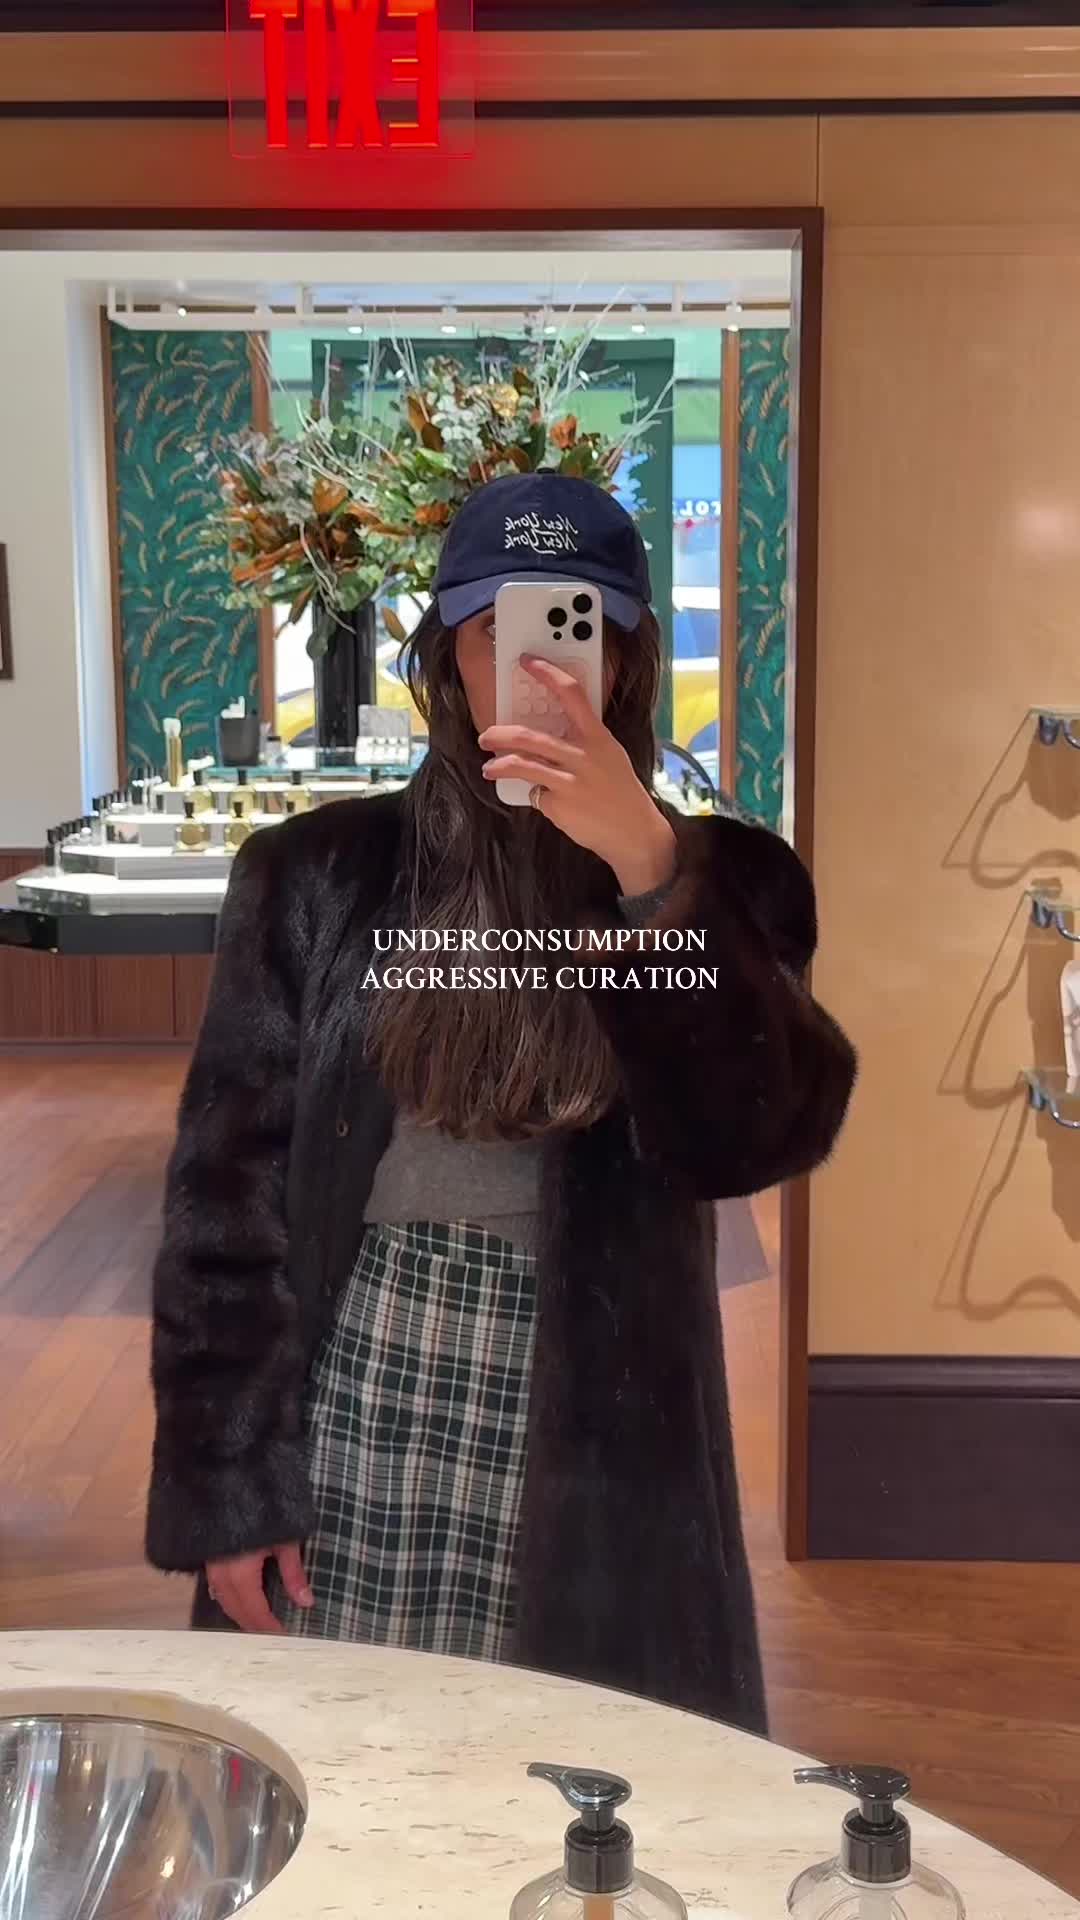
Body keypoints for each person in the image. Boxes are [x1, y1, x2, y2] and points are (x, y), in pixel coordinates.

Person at [145, 471, 856, 1735]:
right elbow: (224, 1199)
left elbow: (755, 1139)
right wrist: (232, 1484)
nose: (534, 671)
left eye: (572, 628)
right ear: (445, 659)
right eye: (494, 632)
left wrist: (650, 870)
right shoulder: (315, 874)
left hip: (605, 1408)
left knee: (580, 1778)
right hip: (361, 1373)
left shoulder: (733, 885)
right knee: (347, 1753)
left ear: (625, 659)